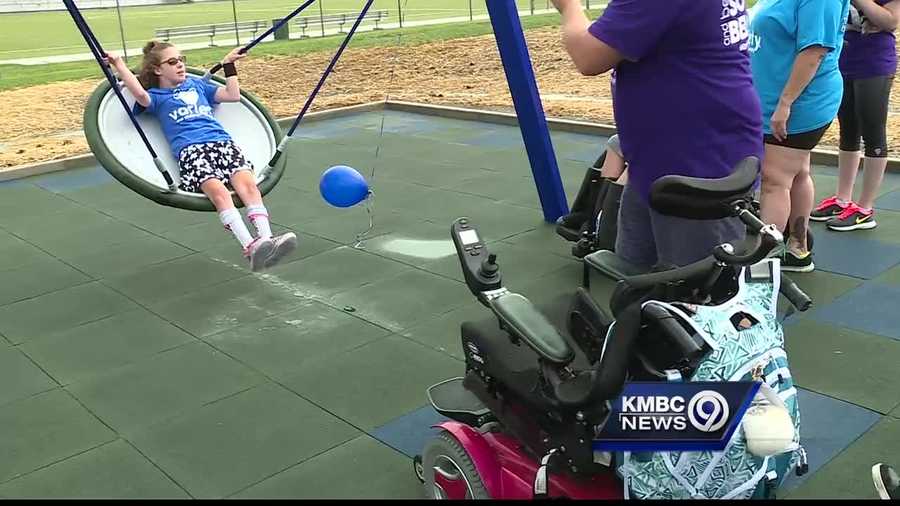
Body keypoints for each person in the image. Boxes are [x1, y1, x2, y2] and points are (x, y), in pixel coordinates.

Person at [550, 0, 762, 269]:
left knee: (696, 293)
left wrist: (569, 7)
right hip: (664, 154)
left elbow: (588, 55)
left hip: (693, 160)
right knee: (636, 278)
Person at [105, 41, 297, 272]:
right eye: (172, 61)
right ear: (157, 69)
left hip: (223, 143)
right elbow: (138, 93)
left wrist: (228, 65)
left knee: (250, 187)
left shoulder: (196, 86)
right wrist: (118, 63)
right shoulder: (156, 97)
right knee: (220, 194)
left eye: (182, 59)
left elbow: (233, 95)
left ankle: (267, 238)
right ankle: (250, 246)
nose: (180, 65)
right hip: (192, 151)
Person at [748, 0, 852, 272]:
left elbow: (814, 51)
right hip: (773, 97)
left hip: (799, 103)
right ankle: (797, 247)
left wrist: (785, 103)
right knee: (796, 173)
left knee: (774, 181)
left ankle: (762, 263)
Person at [812, 0, 900, 231]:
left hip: (874, 65)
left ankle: (865, 208)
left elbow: (891, 21)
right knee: (847, 130)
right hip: (843, 61)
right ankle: (843, 199)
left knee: (873, 132)